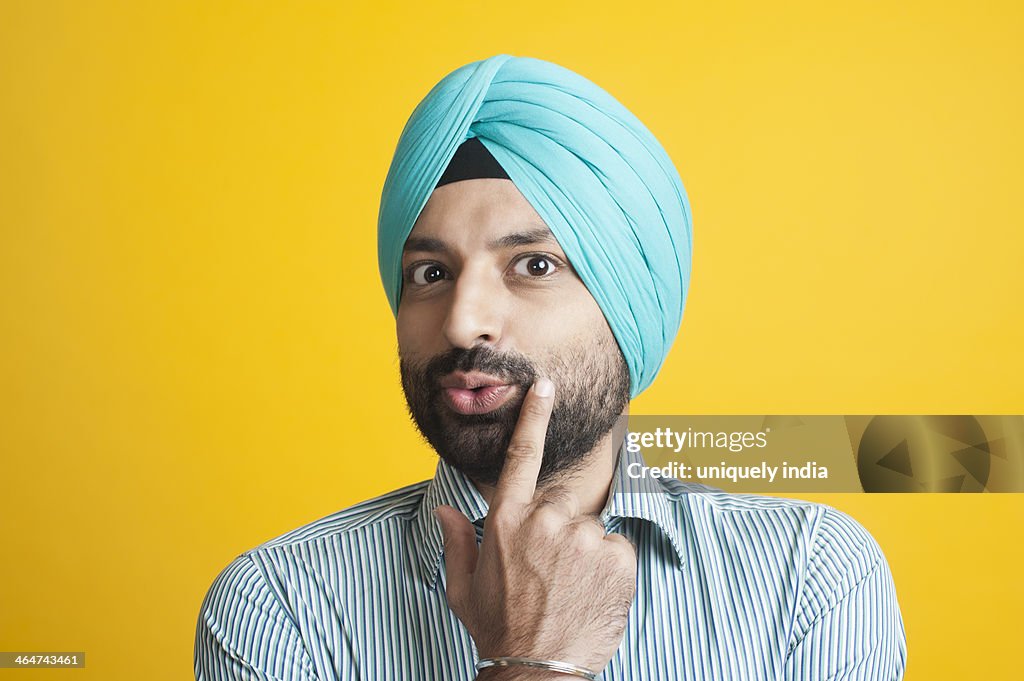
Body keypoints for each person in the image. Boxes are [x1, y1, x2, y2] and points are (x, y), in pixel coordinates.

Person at [195, 55, 907, 681]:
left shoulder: (808, 575)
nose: (462, 319)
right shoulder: (281, 602)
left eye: (534, 265)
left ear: (632, 306)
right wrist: (530, 669)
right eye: (431, 271)